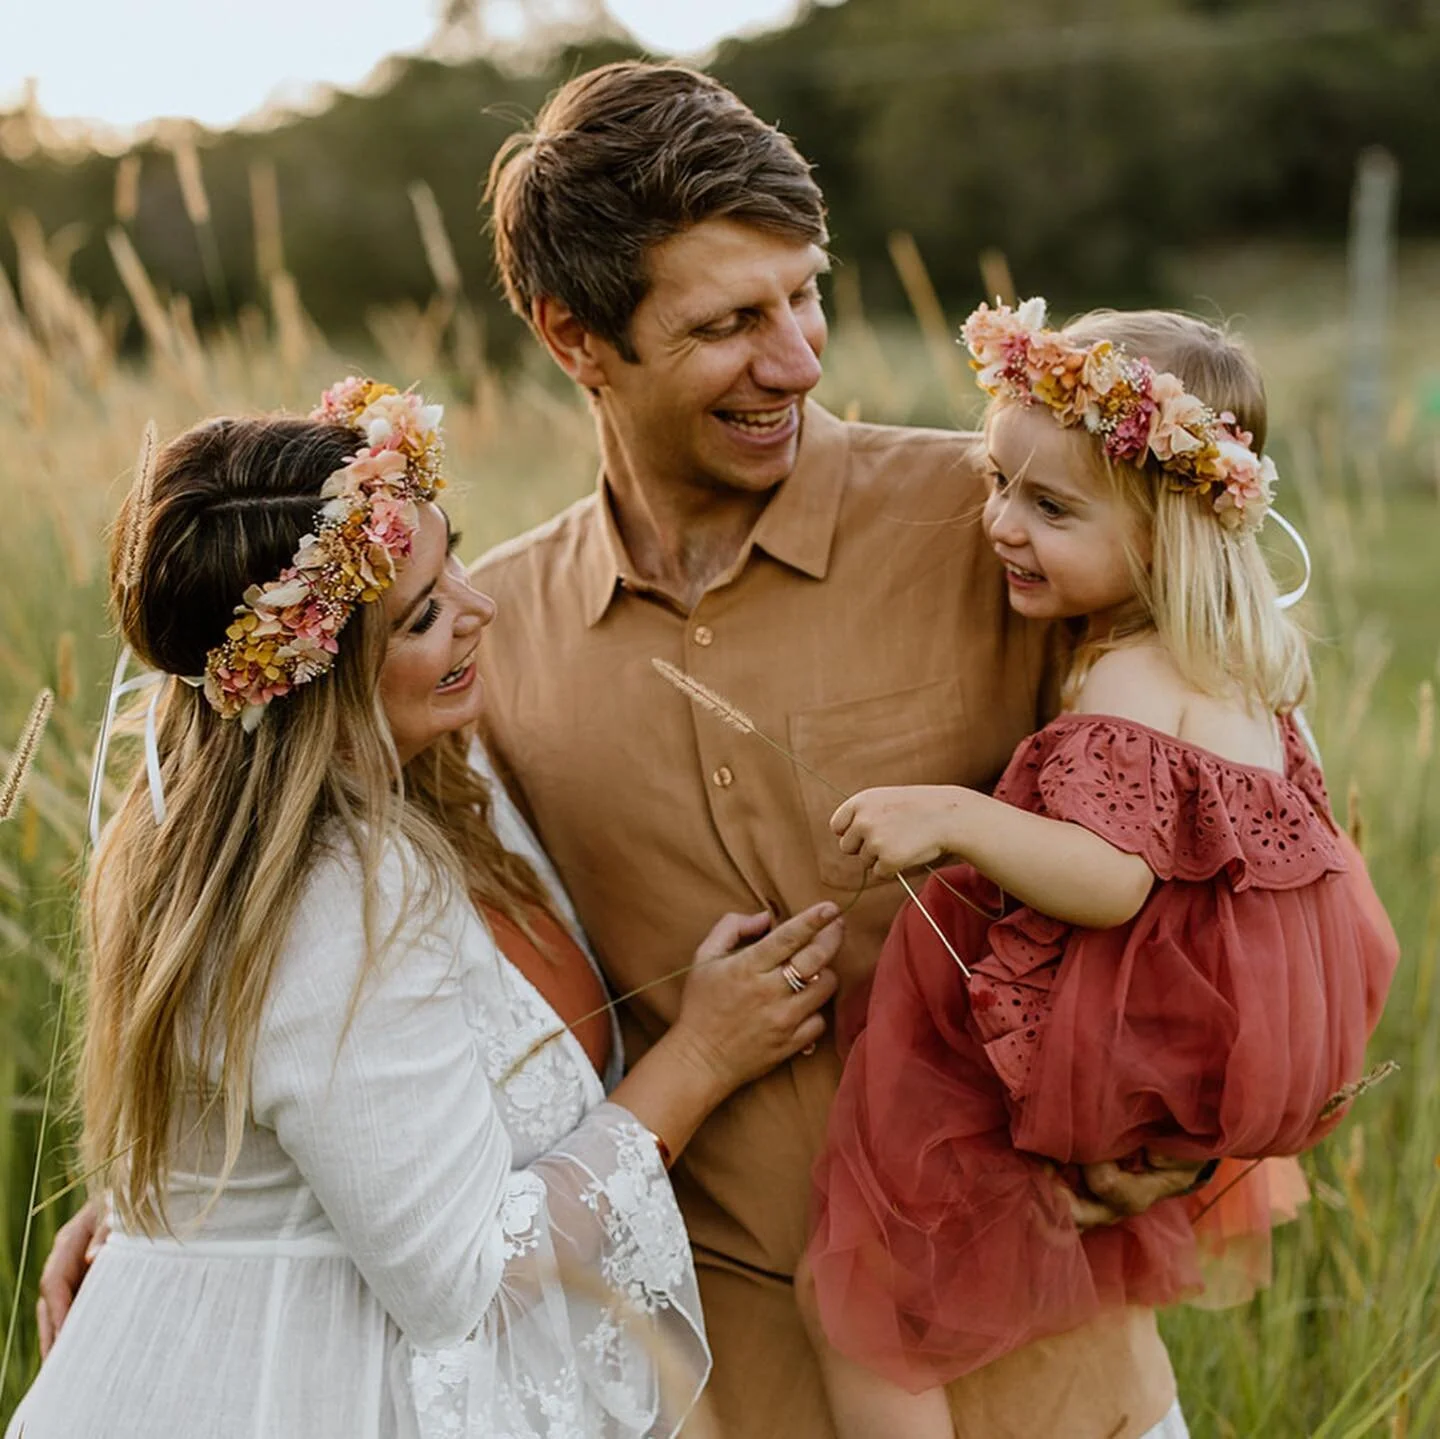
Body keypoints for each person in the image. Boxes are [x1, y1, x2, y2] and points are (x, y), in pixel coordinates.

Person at [39, 62, 1204, 1439]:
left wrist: (1200, 1112)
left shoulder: (1007, 527)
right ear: (573, 334)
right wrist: (196, 1190)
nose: (799, 356)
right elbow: (379, 957)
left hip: (1040, 1356)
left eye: (804, 291)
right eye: (729, 321)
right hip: (702, 1380)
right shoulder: (481, 636)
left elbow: (1239, 813)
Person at [9, 380, 841, 1439]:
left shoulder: (428, 777)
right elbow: (466, 1277)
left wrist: (154, 1207)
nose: (479, 604)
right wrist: (706, 1056)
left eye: (456, 559)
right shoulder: (333, 892)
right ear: (322, 684)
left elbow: (313, 1126)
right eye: (424, 612)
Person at [800, 301, 1400, 1438]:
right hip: (1181, 1052)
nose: (1002, 526)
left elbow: (1109, 878)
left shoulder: (1130, 677)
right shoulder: (1242, 671)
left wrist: (952, 816)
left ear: (1165, 527)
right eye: (996, 482)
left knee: (859, 1298)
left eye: (1052, 506)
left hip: (1084, 1051)